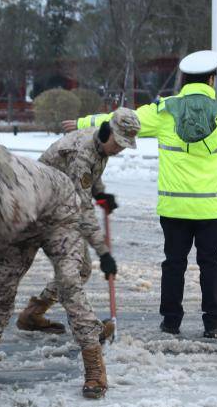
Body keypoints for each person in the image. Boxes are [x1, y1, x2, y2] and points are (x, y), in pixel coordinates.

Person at [78, 50, 217, 339]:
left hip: (173, 206)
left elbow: (122, 119)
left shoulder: (163, 111)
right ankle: (214, 324)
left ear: (183, 79)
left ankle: (171, 322)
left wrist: (82, 122)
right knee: (211, 264)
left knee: (174, 263)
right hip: (210, 208)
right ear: (212, 78)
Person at [0, 103, 108, 399]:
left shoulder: (11, 216)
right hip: (25, 204)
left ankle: (94, 366)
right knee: (1, 289)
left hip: (59, 210)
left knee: (69, 284)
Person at [20, 107, 141, 338]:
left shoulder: (99, 145)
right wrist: (104, 253)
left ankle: (33, 313)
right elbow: (83, 211)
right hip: (44, 207)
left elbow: (89, 177)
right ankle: (86, 329)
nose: (119, 150)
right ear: (108, 132)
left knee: (78, 269)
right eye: (118, 144)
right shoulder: (81, 154)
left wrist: (100, 193)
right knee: (76, 269)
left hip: (58, 201)